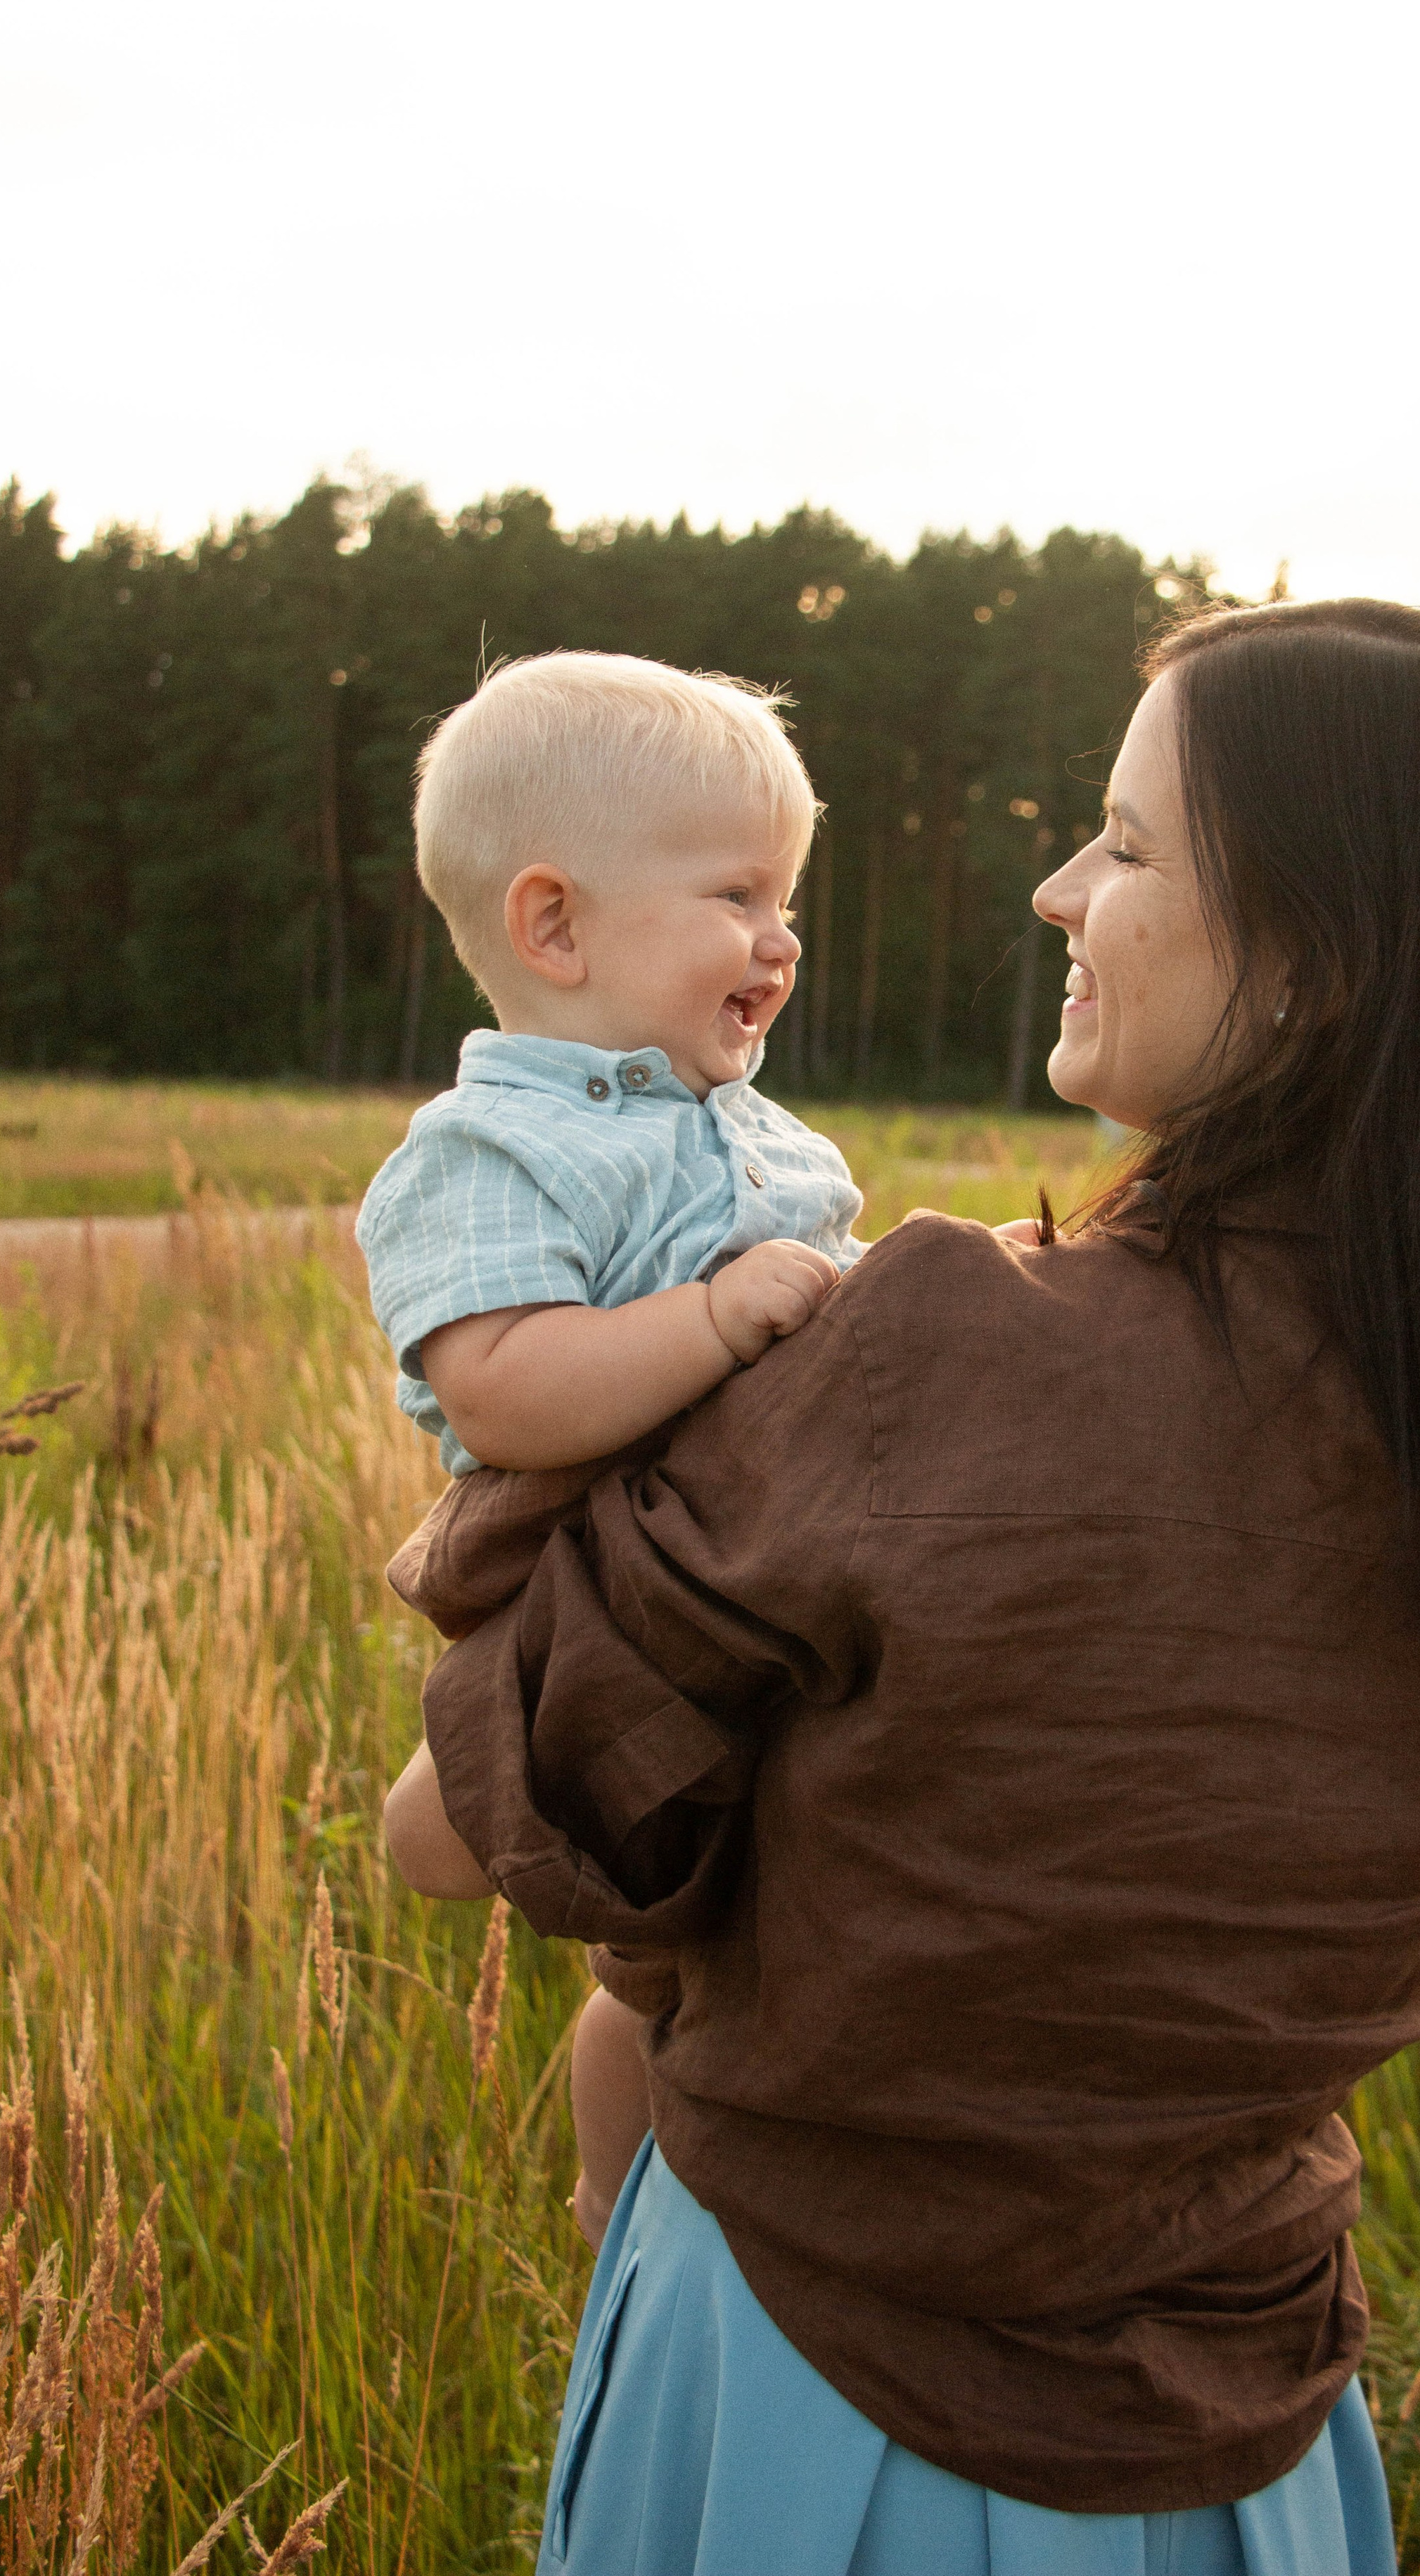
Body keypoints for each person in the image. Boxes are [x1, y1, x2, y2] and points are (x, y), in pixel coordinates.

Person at [385, 601, 1420, 2576]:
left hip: (814, 2402)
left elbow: (449, 1837)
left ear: (1319, 954)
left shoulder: (944, 1355)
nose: (1058, 889)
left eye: (1125, 845)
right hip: (1254, 2438)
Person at [360, 651, 866, 2242]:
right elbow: (503, 1389)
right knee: (609, 1941)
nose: (780, 938)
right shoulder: (491, 1148)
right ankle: (608, 2203)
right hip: (578, 1543)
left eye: (787, 900)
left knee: (719, 1929)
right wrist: (715, 1319)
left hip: (752, 1558)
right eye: (736, 895)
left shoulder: (763, 1133)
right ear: (555, 927)